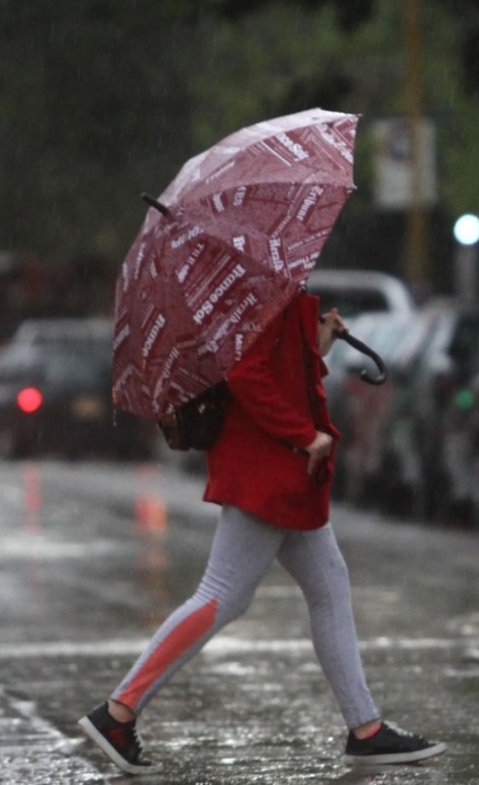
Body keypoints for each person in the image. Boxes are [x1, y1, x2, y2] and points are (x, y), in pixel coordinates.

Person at [78, 289, 446, 775]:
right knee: (223, 594)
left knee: (328, 585)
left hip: (282, 472)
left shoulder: (271, 289)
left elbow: (282, 373)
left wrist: (318, 342)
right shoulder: (259, 292)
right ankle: (118, 712)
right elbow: (247, 375)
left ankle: (367, 730)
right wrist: (302, 434)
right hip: (269, 470)